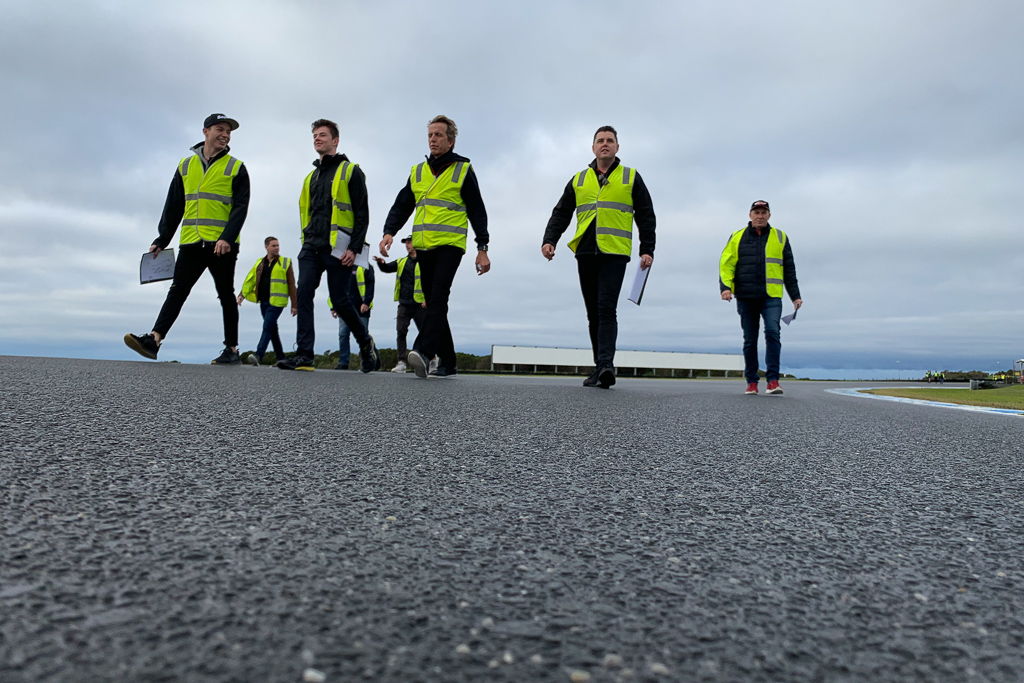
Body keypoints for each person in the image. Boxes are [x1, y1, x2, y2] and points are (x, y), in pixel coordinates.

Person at [124, 113, 250, 364]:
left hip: (221, 245)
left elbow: (240, 207)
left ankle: (232, 350)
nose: (225, 134)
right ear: (206, 131)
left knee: (226, 295)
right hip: (191, 241)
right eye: (220, 129)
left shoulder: (236, 167)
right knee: (177, 290)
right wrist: (162, 239)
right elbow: (174, 206)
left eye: (229, 131)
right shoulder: (185, 166)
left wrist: (227, 237)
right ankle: (154, 339)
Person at [541, 125, 656, 389]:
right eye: (600, 141)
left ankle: (607, 365)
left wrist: (647, 248)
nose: (605, 144)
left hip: (614, 252)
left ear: (617, 147)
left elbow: (646, 215)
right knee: (593, 312)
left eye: (610, 141)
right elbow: (561, 212)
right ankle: (599, 367)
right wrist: (550, 240)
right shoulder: (579, 179)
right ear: (593, 147)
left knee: (606, 309)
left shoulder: (631, 177)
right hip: (585, 252)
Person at [379, 115, 490, 379]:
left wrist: (482, 246)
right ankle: (449, 362)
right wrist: (389, 232)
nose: (433, 139)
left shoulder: (463, 170)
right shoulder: (418, 171)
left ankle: (423, 351)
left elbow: (477, 210)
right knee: (432, 303)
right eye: (430, 135)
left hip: (450, 246)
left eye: (438, 135)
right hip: (424, 247)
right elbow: (402, 204)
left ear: (450, 141)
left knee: (439, 296)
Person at [277, 118, 379, 372]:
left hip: (338, 249)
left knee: (340, 300)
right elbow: (306, 212)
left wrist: (353, 248)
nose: (317, 139)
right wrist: (305, 240)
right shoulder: (310, 177)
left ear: (335, 140)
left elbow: (362, 214)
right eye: (314, 136)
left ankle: (365, 344)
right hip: (311, 246)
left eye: (322, 135)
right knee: (304, 294)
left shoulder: (351, 171)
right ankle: (304, 354)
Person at [719, 200, 802, 395]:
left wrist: (795, 295)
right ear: (750, 215)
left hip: (771, 296)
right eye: (756, 212)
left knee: (773, 333)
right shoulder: (737, 236)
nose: (760, 216)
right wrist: (726, 288)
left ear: (769, 215)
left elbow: (789, 269)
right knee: (750, 339)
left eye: (764, 212)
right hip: (746, 296)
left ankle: (773, 380)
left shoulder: (780, 237)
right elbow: (726, 264)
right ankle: (752, 382)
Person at [236, 236, 297, 365]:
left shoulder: (285, 262)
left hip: (278, 302)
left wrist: (294, 304)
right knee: (272, 329)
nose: (277, 248)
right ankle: (281, 358)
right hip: (263, 301)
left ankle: (259, 355)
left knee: (267, 326)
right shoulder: (260, 262)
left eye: (278, 245)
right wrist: (242, 295)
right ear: (266, 247)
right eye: (274, 245)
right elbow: (250, 279)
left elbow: (291, 284)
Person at [374, 237, 426, 373]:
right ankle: (401, 362)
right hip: (404, 303)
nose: (408, 245)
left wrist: (427, 299)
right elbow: (387, 268)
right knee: (401, 332)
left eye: (410, 242)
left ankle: (431, 359)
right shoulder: (401, 261)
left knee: (425, 332)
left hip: (420, 303)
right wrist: (381, 263)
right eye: (406, 243)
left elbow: (430, 281)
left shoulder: (425, 261)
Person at [330, 265, 374, 369]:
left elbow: (370, 286)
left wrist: (366, 302)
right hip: (345, 307)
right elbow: (334, 287)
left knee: (363, 335)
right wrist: (333, 306)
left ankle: (366, 361)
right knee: (343, 334)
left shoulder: (366, 267)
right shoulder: (341, 266)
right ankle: (343, 362)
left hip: (361, 307)